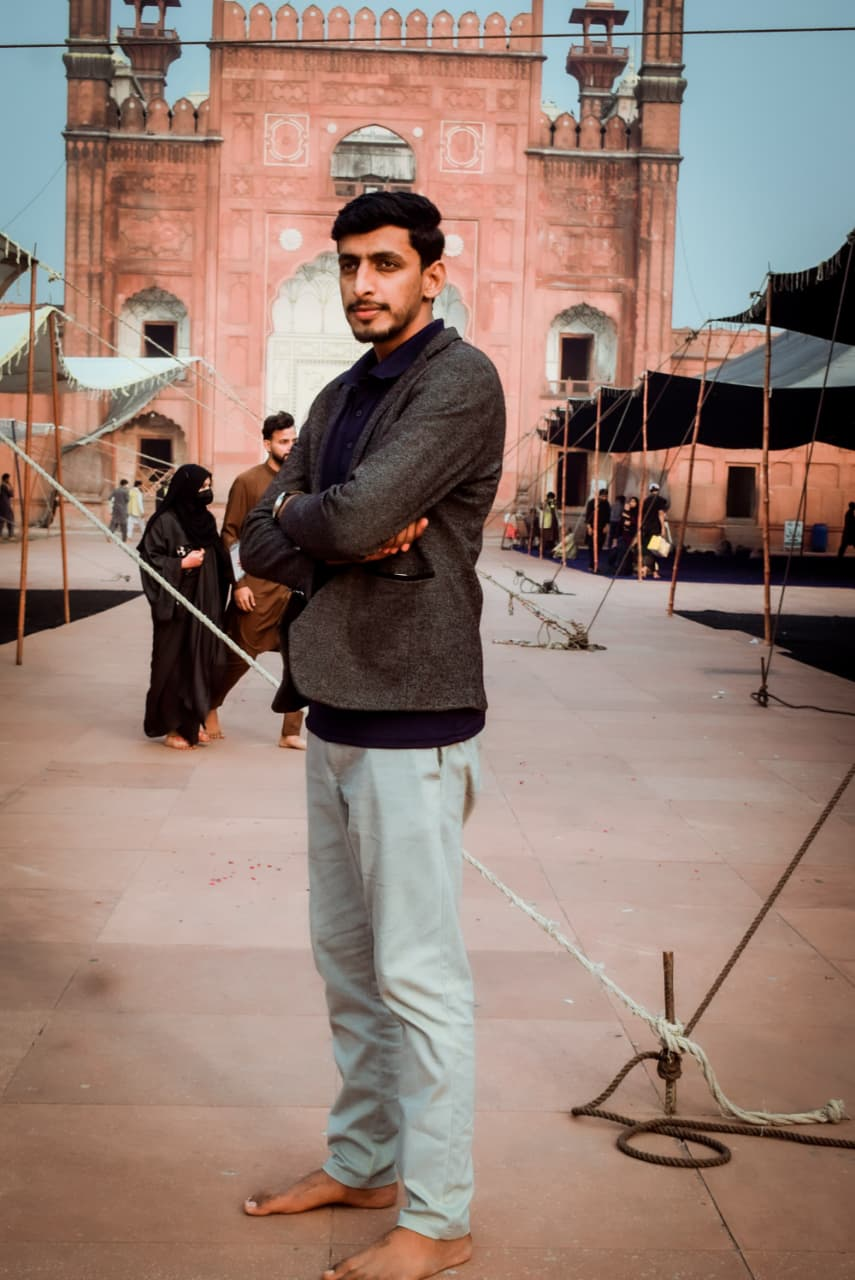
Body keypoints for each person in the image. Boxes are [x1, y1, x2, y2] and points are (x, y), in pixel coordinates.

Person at [240, 191, 506, 1280]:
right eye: (350, 264)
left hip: (413, 711)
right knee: (349, 966)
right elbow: (259, 533)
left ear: (432, 274)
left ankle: (439, 1219)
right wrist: (324, 523)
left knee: (418, 977)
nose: (362, 284)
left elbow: (341, 515)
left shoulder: (459, 381)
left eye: (385, 264)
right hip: (334, 707)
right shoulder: (341, 392)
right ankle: (363, 1162)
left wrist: (323, 519)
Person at [205, 411, 305, 749]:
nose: (290, 447)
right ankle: (209, 705)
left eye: (293, 441)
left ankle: (291, 731)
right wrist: (240, 583)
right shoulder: (248, 482)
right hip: (258, 585)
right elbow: (230, 535)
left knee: (300, 658)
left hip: (295, 586)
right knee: (240, 654)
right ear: (267, 444)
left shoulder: (304, 484)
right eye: (283, 441)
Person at [137, 464, 228, 750]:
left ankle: (192, 723)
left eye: (208, 486)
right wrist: (181, 564)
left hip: (204, 606)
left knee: (199, 663)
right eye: (201, 487)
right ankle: (171, 727)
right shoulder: (164, 522)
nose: (206, 492)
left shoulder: (205, 520)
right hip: (175, 610)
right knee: (172, 665)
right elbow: (149, 561)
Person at [641, 481, 669, 579]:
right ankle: (651, 570)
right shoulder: (661, 500)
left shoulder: (645, 501)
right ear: (658, 490)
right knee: (655, 550)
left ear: (650, 490)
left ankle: (647, 568)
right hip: (655, 528)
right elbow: (660, 514)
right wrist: (663, 528)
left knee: (647, 549)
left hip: (646, 528)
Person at [585, 485, 611, 571]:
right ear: (599, 495)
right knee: (592, 547)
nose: (604, 498)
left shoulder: (606, 504)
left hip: (601, 528)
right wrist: (589, 527)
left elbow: (608, 517)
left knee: (599, 546)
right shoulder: (592, 503)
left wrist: (607, 526)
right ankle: (591, 565)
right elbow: (588, 516)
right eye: (603, 496)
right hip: (592, 527)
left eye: (606, 496)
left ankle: (595, 564)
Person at [539, 490, 559, 558]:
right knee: (546, 539)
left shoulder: (551, 503)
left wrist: (553, 503)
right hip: (547, 524)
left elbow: (554, 509)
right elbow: (544, 509)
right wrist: (550, 503)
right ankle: (542, 552)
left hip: (551, 523)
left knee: (552, 538)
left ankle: (551, 552)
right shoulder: (546, 504)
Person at [0, 473, 14, 539]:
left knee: (2, 520)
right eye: (8, 478)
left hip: (2, 505)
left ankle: (1, 535)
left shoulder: (2, 486)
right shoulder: (5, 486)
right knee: (10, 519)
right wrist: (10, 485)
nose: (9, 480)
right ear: (6, 479)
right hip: (6, 505)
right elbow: (11, 494)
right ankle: (10, 535)